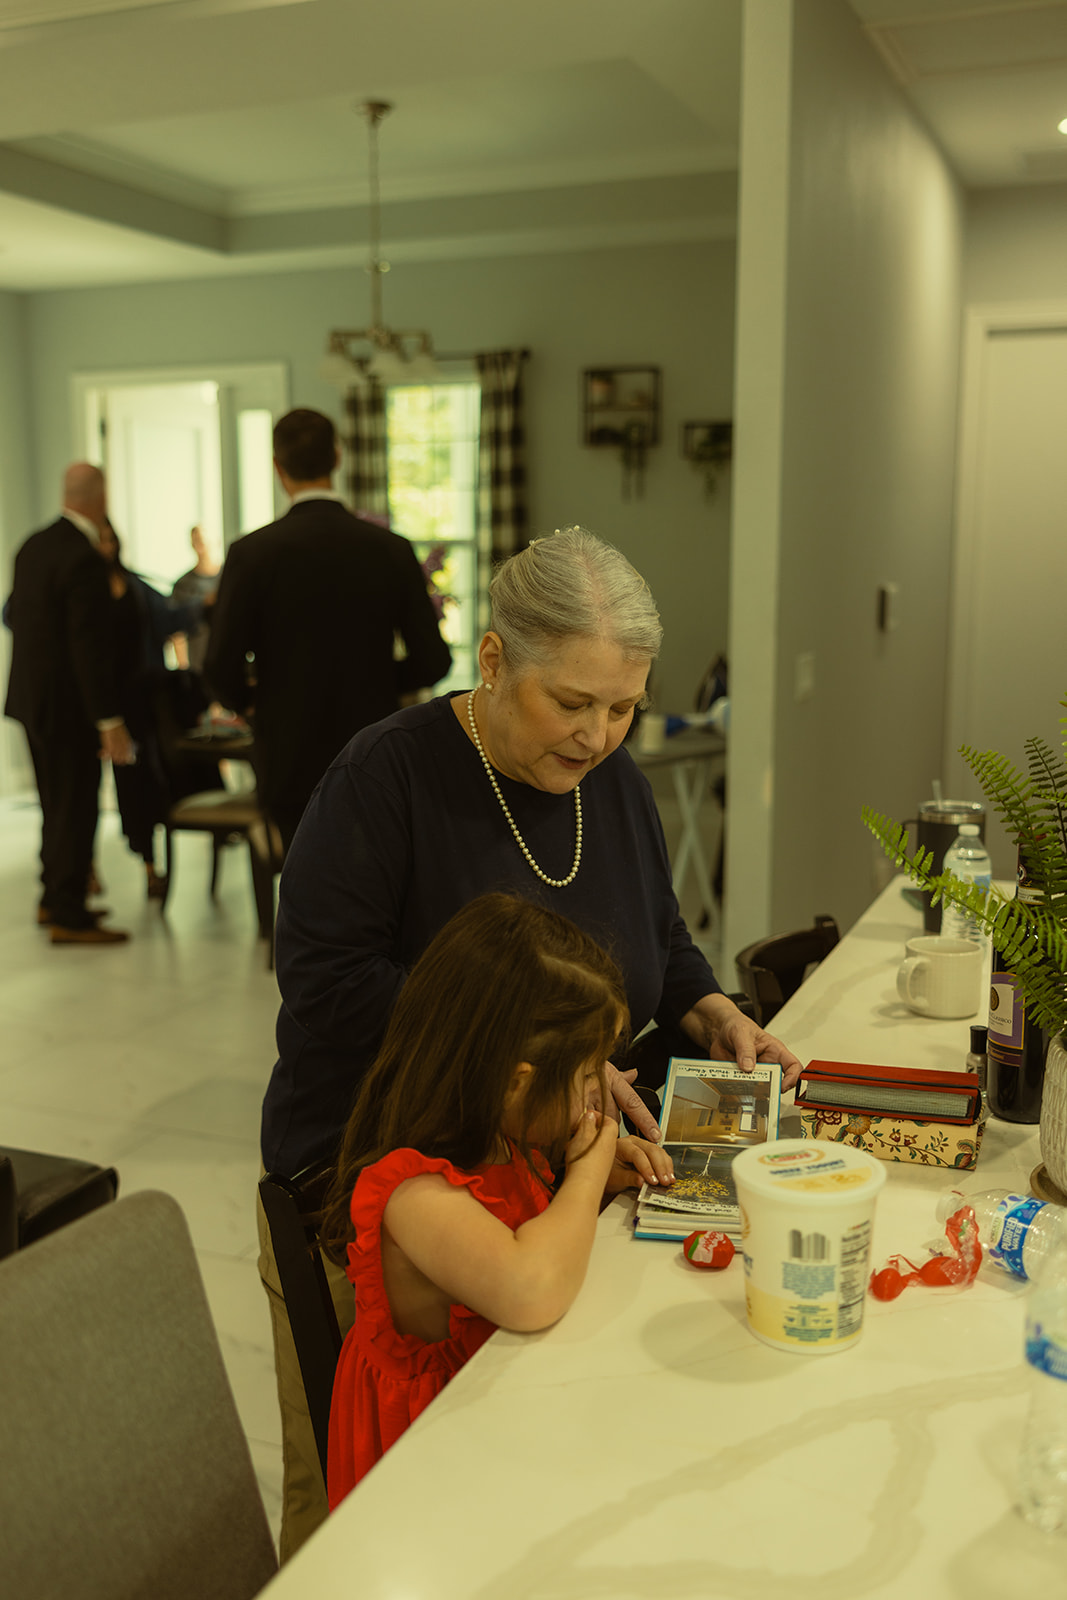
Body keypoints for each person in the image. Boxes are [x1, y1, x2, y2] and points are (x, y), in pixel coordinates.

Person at [259, 525, 802, 1557]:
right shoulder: (383, 779)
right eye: (571, 702)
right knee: (360, 1514)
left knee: (529, 1474)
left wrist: (711, 1011)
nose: (597, 736)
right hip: (376, 1188)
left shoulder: (614, 782)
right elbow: (325, 983)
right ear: (495, 658)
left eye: (622, 706)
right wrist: (528, 1049)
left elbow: (660, 938)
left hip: (539, 1185)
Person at [321, 893, 675, 1506]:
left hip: (506, 1410)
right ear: (516, 1082)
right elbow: (529, 1288)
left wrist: (584, 1189)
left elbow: (528, 1238)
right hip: (427, 1469)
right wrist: (588, 1170)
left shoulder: (504, 1141)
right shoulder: (412, 1193)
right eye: (588, 1073)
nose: (600, 1091)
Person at [204, 408, 452, 850]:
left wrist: (254, 702)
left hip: (286, 746)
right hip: (375, 742)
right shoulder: (390, 550)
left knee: (302, 874)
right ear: (337, 457)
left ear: (278, 468)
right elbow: (434, 660)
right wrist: (379, 684)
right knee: (376, 874)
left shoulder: (252, 553)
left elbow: (220, 667)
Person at [4, 464, 134, 944]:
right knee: (75, 807)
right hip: (70, 706)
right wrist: (109, 718)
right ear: (100, 498)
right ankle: (69, 912)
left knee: (53, 804)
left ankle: (50, 896)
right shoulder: (83, 557)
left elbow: (15, 614)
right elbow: (88, 646)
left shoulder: (32, 545)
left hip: (32, 700)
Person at [97, 522, 206, 899]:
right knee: (78, 795)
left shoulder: (135, 587)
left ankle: (149, 866)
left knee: (143, 783)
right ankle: (83, 870)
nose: (105, 546)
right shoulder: (73, 586)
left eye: (109, 538)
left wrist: (204, 607)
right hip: (89, 704)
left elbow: (167, 620)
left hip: (137, 703)